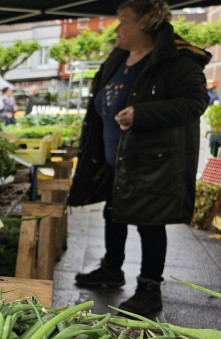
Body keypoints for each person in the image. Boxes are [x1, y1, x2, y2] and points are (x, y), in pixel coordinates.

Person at [70, 0, 210, 314]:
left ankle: (150, 288)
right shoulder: (120, 56)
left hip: (151, 160)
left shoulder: (176, 60)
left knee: (150, 220)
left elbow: (196, 102)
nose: (116, 28)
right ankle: (111, 269)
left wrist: (143, 114)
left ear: (146, 21)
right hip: (115, 157)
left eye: (123, 21)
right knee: (114, 212)